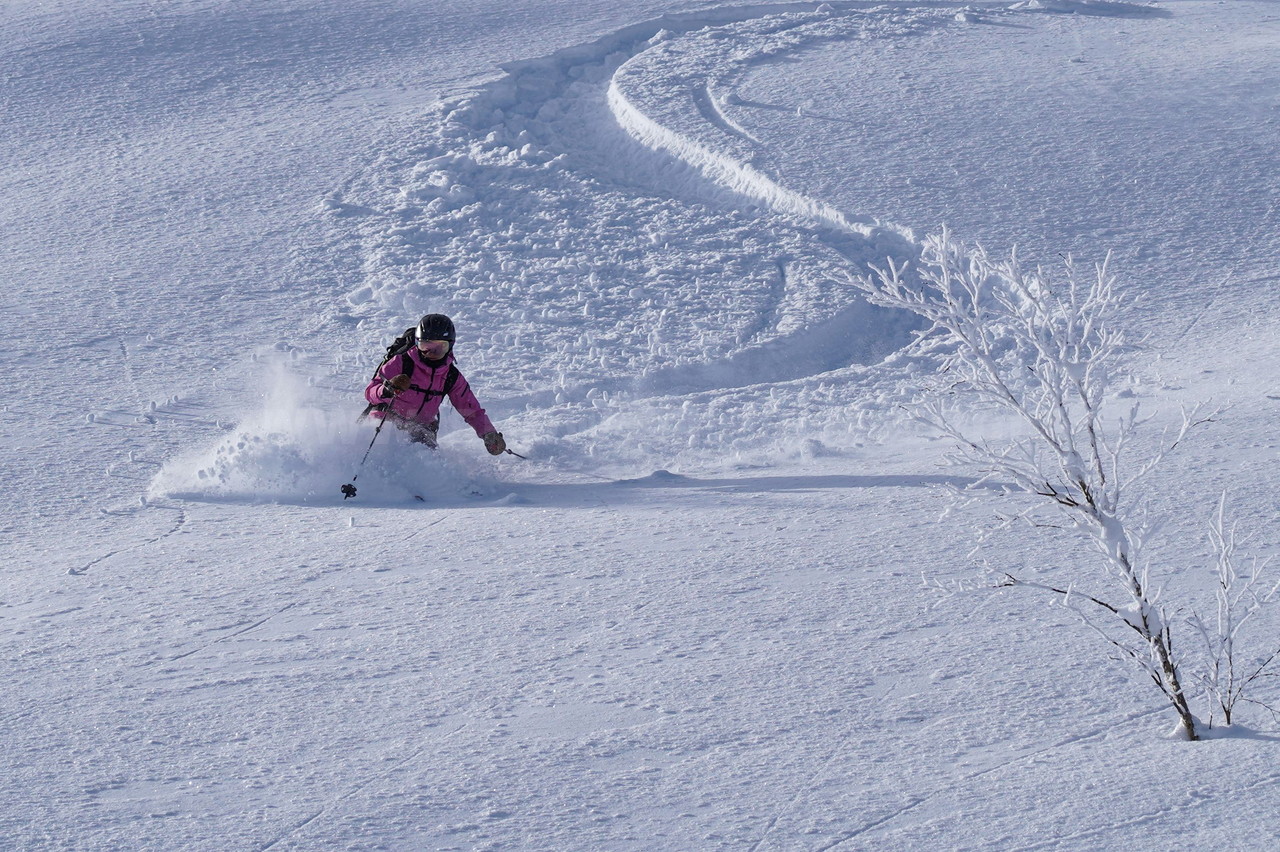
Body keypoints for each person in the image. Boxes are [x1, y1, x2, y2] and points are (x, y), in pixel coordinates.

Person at [362, 314, 506, 455]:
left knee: (426, 457)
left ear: (450, 346)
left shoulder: (451, 376)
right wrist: (387, 390)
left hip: (420, 428)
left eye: (439, 348)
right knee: (383, 447)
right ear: (417, 343)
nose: (430, 353)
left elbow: (471, 409)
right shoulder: (401, 363)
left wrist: (488, 433)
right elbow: (370, 392)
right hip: (387, 420)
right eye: (425, 346)